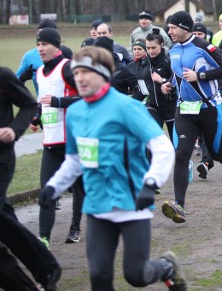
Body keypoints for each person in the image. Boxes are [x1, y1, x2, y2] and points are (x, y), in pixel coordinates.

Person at [38, 46, 187, 291]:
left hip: (132, 202)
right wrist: (53, 187)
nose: (80, 78)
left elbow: (163, 147)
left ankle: (166, 267)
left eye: (87, 71)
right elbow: (76, 160)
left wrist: (150, 184)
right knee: (98, 277)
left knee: (136, 275)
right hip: (97, 205)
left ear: (105, 74)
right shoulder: (75, 113)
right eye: (76, 73)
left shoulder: (127, 108)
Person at [161, 11, 222, 223]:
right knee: (181, 154)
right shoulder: (173, 49)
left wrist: (200, 76)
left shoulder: (204, 46)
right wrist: (169, 83)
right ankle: (179, 205)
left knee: (215, 153)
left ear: (184, 27)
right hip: (184, 109)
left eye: (172, 28)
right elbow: (177, 72)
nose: (169, 31)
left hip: (208, 108)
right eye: (169, 28)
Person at [0, 66, 61, 291]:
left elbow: (29, 105)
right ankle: (46, 268)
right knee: (4, 220)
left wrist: (14, 130)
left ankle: (45, 267)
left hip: (1, 158)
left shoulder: (3, 76)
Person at [31, 27, 85, 246]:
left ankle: (75, 228)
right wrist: (36, 117)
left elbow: (86, 95)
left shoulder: (68, 67)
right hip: (51, 142)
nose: (40, 48)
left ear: (56, 45)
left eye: (44, 44)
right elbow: (42, 101)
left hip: (72, 141)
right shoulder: (39, 72)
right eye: (38, 44)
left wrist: (58, 102)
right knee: (47, 190)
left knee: (79, 187)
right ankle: (44, 238)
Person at [144, 30, 178, 137]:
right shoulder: (145, 62)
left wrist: (162, 81)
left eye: (153, 47)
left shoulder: (169, 61)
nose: (150, 51)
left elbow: (177, 81)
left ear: (161, 45)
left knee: (175, 142)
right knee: (152, 138)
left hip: (170, 106)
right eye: (148, 48)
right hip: (152, 106)